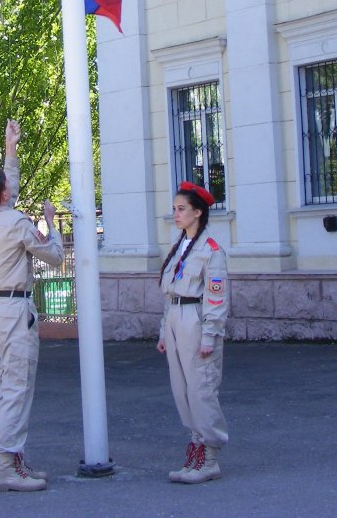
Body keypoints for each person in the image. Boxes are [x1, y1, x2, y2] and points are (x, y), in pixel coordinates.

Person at [0, 119, 63, 493]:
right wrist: (51, 222)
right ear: (4, 195)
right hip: (16, 310)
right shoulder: (18, 223)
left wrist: (11, 148)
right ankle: (8, 464)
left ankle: (15, 458)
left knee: (6, 382)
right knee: (17, 386)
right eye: (8, 187)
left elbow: (5, 192)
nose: (11, 189)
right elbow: (55, 257)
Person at [156, 181, 229, 484]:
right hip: (175, 317)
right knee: (181, 388)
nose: (176, 214)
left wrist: (210, 335)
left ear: (197, 212)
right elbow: (169, 291)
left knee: (201, 386)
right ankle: (197, 444)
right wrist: (163, 330)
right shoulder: (180, 246)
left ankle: (209, 455)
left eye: (181, 209)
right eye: (174, 209)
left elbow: (216, 296)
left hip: (196, 319)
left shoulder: (211, 250)